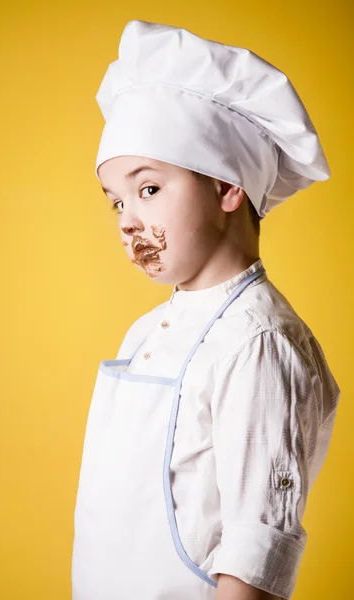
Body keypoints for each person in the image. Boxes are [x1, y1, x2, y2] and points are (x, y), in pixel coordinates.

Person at [72, 20, 341, 600]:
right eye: (116, 200)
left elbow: (255, 547)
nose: (126, 219)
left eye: (148, 190)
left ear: (227, 187)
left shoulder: (259, 340)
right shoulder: (145, 331)